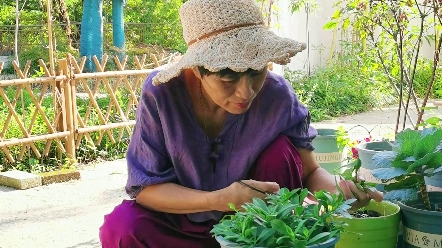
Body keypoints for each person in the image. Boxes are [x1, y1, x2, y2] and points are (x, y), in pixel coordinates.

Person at [99, 0, 383, 247]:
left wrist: (335, 190)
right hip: (178, 223)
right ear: (197, 70)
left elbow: (310, 172)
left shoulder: (277, 96)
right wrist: (218, 199)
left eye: (256, 71)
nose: (246, 92)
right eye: (228, 77)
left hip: (256, 227)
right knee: (122, 228)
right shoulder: (162, 94)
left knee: (282, 150)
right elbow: (146, 189)